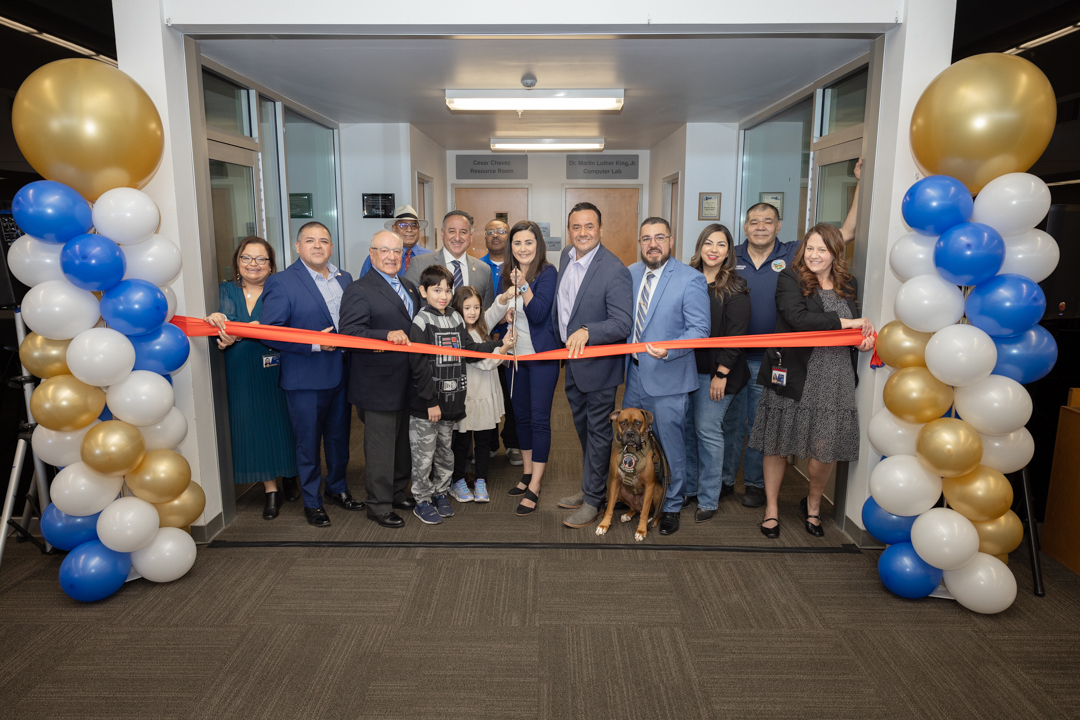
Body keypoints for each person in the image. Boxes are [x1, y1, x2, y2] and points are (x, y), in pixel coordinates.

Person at [723, 159, 863, 509]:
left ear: (778, 226)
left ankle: (755, 486)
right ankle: (725, 481)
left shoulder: (796, 256)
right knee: (729, 423)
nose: (760, 227)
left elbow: (842, 233)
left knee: (762, 426)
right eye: (754, 221)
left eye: (767, 221)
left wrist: (860, 183)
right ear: (744, 226)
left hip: (776, 358)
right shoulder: (729, 256)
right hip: (733, 356)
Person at [748, 224, 875, 539]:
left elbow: (854, 332)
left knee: (825, 447)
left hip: (835, 377)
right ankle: (772, 509)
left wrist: (860, 339)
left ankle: (814, 505)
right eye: (810, 248)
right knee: (777, 443)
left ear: (835, 253)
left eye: (823, 249)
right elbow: (800, 319)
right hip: (792, 372)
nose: (815, 255)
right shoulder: (790, 278)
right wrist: (849, 323)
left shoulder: (849, 284)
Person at [260, 221, 358, 527]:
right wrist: (315, 343)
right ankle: (312, 502)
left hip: (343, 373)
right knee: (308, 444)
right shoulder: (282, 282)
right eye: (311, 240)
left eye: (324, 241)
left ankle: (337, 488)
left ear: (331, 246)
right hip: (305, 378)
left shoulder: (346, 278)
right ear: (297, 246)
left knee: (340, 440)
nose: (318, 246)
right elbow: (270, 332)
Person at [620, 217, 710, 536]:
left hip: (670, 378)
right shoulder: (629, 273)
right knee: (632, 444)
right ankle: (635, 494)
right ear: (640, 242)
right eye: (646, 238)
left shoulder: (690, 279)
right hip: (634, 377)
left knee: (671, 448)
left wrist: (670, 350)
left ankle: (672, 505)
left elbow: (700, 331)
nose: (652, 244)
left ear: (671, 241)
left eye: (659, 237)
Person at [204, 237, 299, 521]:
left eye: (261, 259)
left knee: (284, 426)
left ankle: (289, 473)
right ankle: (271, 489)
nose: (253, 264)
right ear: (237, 261)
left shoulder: (280, 290)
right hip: (240, 370)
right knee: (253, 427)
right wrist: (214, 320)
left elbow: (285, 327)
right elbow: (212, 331)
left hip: (277, 368)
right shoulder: (223, 292)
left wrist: (240, 329)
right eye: (247, 258)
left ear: (271, 266)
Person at [551, 202, 633, 529]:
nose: (582, 233)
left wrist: (588, 331)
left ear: (600, 229)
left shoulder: (614, 270)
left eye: (589, 226)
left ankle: (593, 501)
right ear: (569, 230)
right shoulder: (565, 257)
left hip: (599, 368)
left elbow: (622, 323)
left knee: (599, 435)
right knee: (585, 432)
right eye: (576, 227)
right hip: (573, 366)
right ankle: (591, 488)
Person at [407, 265, 508, 525]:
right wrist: (430, 401)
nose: (443, 295)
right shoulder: (421, 321)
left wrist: (498, 345)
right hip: (429, 405)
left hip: (452, 403)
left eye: (448, 290)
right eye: (436, 290)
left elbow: (470, 348)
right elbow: (418, 365)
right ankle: (422, 499)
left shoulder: (455, 317)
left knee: (445, 452)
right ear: (423, 291)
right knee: (423, 455)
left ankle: (441, 493)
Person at [339, 230, 422, 529]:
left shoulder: (410, 287)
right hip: (377, 383)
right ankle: (378, 504)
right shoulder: (359, 289)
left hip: (407, 380)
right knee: (380, 447)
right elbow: (349, 333)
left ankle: (397, 490)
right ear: (372, 254)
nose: (391, 257)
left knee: (402, 444)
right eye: (383, 251)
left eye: (396, 251)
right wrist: (384, 335)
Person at [484, 220, 559, 516]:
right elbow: (494, 318)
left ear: (537, 245)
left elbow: (539, 313)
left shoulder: (547, 272)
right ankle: (527, 472)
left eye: (529, 243)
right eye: (517, 243)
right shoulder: (507, 275)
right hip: (514, 358)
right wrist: (505, 310)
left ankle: (536, 485)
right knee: (522, 418)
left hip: (541, 358)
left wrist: (523, 287)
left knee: (539, 420)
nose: (523, 248)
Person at [682, 225, 751, 523]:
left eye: (721, 244)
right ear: (699, 246)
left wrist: (721, 374)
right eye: (708, 243)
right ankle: (691, 488)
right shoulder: (685, 279)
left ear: (728, 251)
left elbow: (736, 336)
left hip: (720, 373)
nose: (713, 249)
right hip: (684, 369)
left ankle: (708, 498)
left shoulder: (735, 286)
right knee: (686, 431)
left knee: (707, 431)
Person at [449, 286, 514, 504]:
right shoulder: (457, 333)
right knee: (462, 442)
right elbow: (484, 363)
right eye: (467, 307)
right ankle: (457, 480)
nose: (472, 312)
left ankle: (481, 480)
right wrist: (503, 349)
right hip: (468, 398)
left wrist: (504, 297)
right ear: (457, 308)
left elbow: (495, 311)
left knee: (484, 442)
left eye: (476, 307)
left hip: (486, 396)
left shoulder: (482, 326)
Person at [479, 218, 523, 468]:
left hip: (511, 341)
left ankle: (513, 443)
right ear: (484, 237)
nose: (495, 236)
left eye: (501, 231)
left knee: (511, 394)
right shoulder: (477, 266)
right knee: (486, 392)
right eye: (490, 232)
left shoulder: (519, 265)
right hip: (485, 341)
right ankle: (490, 443)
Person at [405, 210, 495, 309]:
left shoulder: (484, 270)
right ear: (442, 234)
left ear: (471, 236)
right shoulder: (419, 264)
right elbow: (409, 307)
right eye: (452, 231)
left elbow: (486, 314)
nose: (457, 238)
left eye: (463, 232)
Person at [358, 204, 431, 277]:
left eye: (413, 225)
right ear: (394, 228)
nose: (409, 230)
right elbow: (363, 285)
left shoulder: (429, 257)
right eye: (403, 225)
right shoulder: (377, 256)